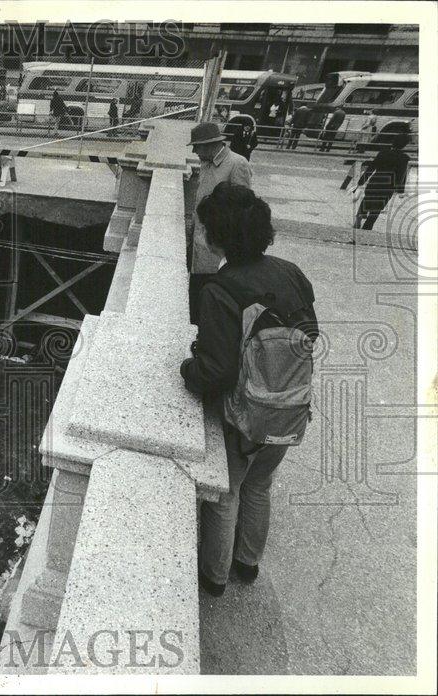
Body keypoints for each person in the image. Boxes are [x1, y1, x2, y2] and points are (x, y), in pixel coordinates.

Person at [180, 181, 319, 597]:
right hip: (289, 405)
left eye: (203, 228)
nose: (199, 234)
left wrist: (188, 368)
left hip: (244, 416)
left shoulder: (220, 290)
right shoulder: (290, 271)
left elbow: (217, 372)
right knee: (260, 487)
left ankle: (214, 577)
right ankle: (248, 564)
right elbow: (309, 331)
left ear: (217, 236)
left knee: (228, 491)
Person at [187, 121, 253, 324]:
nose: (195, 152)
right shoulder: (206, 163)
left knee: (211, 298)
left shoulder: (237, 163)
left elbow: (244, 206)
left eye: (197, 147)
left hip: (218, 249)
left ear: (209, 145)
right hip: (200, 242)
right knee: (196, 296)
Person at [355, 125, 411, 231]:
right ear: (404, 145)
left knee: (367, 200)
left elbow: (371, 167)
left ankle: (359, 217)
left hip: (375, 181)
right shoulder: (404, 158)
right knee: (378, 207)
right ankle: (367, 227)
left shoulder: (382, 153)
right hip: (388, 185)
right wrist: (400, 190)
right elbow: (401, 174)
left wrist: (361, 181)